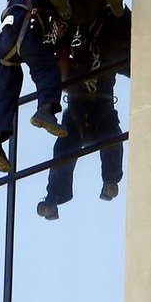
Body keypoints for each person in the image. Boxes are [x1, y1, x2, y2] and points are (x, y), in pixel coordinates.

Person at [0, 0, 68, 173]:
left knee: (6, 90)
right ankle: (45, 110)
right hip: (26, 32)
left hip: (3, 43)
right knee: (46, 68)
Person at [36, 65, 123, 219]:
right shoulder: (79, 51)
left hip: (96, 109)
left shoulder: (104, 53)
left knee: (112, 137)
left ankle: (110, 180)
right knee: (64, 149)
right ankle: (54, 196)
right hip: (81, 112)